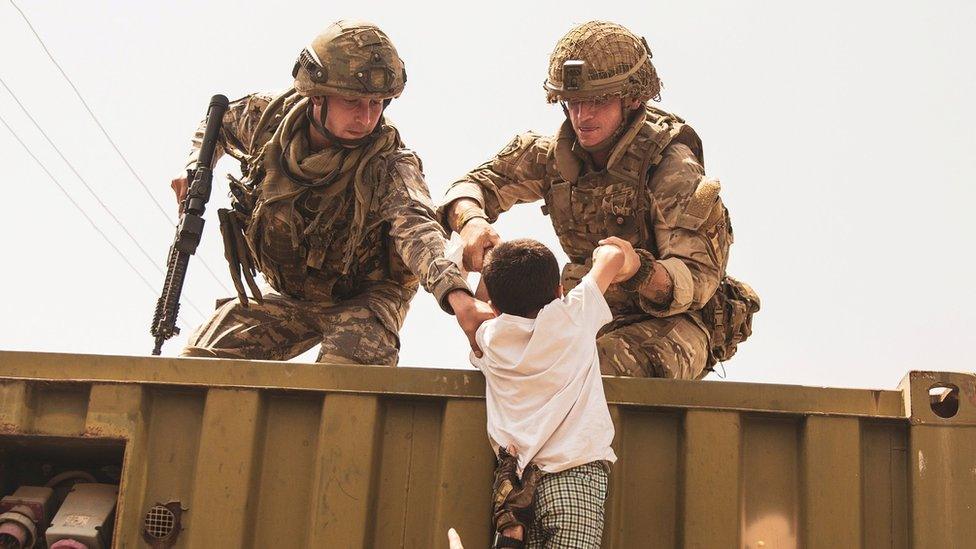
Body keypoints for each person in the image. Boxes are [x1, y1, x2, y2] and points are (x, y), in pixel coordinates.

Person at [439, 20, 759, 379]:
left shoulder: (671, 167)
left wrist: (637, 269)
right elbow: (472, 185)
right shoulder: (551, 157)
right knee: (513, 365)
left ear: (633, 98)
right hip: (585, 315)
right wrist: (471, 220)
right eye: (573, 102)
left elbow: (697, 279)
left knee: (589, 372)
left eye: (598, 101)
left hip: (672, 325)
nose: (583, 116)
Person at [171, 20, 492, 364]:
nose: (366, 117)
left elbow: (419, 230)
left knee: (341, 381)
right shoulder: (267, 122)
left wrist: (460, 299)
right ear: (317, 95)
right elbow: (218, 124)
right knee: (197, 365)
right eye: (353, 101)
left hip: (366, 296)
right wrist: (194, 167)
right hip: (290, 293)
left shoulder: (390, 165)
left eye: (377, 103)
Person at [471, 237, 639, 548]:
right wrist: (624, 257)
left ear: (495, 306)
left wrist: (482, 258)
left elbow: (476, 308)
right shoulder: (573, 315)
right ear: (559, 290)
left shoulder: (491, 339)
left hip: (517, 493)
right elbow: (613, 255)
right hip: (575, 478)